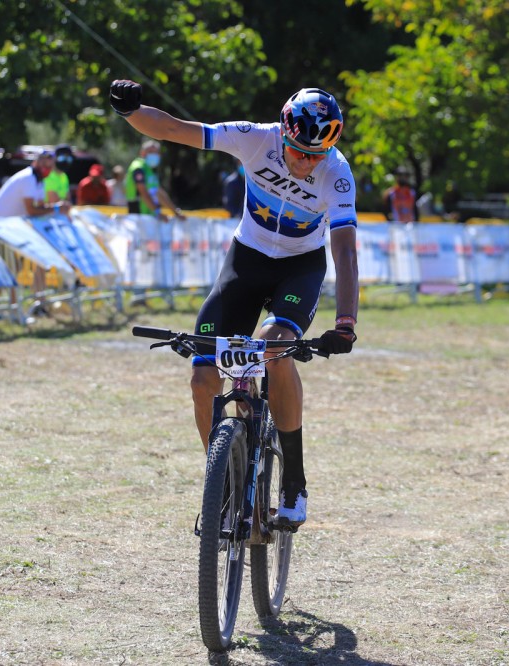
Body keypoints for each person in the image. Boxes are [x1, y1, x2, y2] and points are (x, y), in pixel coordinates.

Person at [110, 79, 359, 527]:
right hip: (245, 261)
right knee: (203, 378)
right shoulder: (254, 138)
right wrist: (130, 110)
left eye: (315, 156)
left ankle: (294, 483)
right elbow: (175, 129)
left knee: (274, 348)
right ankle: (222, 485)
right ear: (283, 133)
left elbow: (344, 248)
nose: (306, 162)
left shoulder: (337, 173)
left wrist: (345, 320)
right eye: (299, 151)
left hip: (298, 268)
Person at [0, 150, 68, 317]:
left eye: (50, 166)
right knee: (9, 268)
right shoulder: (29, 179)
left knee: (11, 267)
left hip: (10, 227)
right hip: (0, 226)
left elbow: (38, 208)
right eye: (44, 164)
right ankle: (6, 310)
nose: (47, 169)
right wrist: (58, 208)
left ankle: (6, 309)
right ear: (36, 163)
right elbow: (33, 209)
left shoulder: (38, 181)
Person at [125, 139, 184, 220]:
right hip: (138, 216)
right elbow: (143, 193)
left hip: (150, 216)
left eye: (156, 152)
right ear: (142, 153)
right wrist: (157, 213)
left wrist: (175, 211)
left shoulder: (150, 170)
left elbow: (159, 192)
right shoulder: (138, 168)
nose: (154, 155)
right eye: (150, 152)